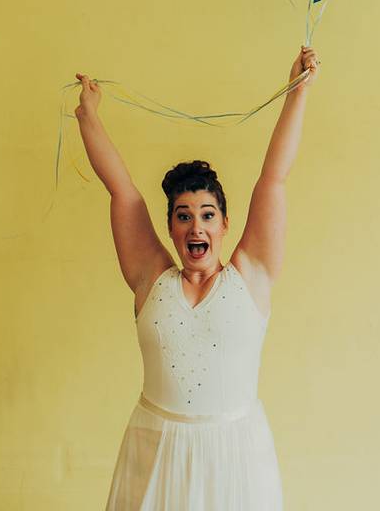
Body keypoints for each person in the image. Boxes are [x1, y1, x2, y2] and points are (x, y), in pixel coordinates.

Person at [75, 46, 320, 510]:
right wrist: (88, 115)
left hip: (235, 457)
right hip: (154, 451)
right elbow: (122, 191)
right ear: (170, 227)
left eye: (207, 215)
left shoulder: (253, 275)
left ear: (225, 224)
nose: (196, 226)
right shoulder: (151, 277)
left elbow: (274, 177)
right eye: (183, 216)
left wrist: (299, 90)